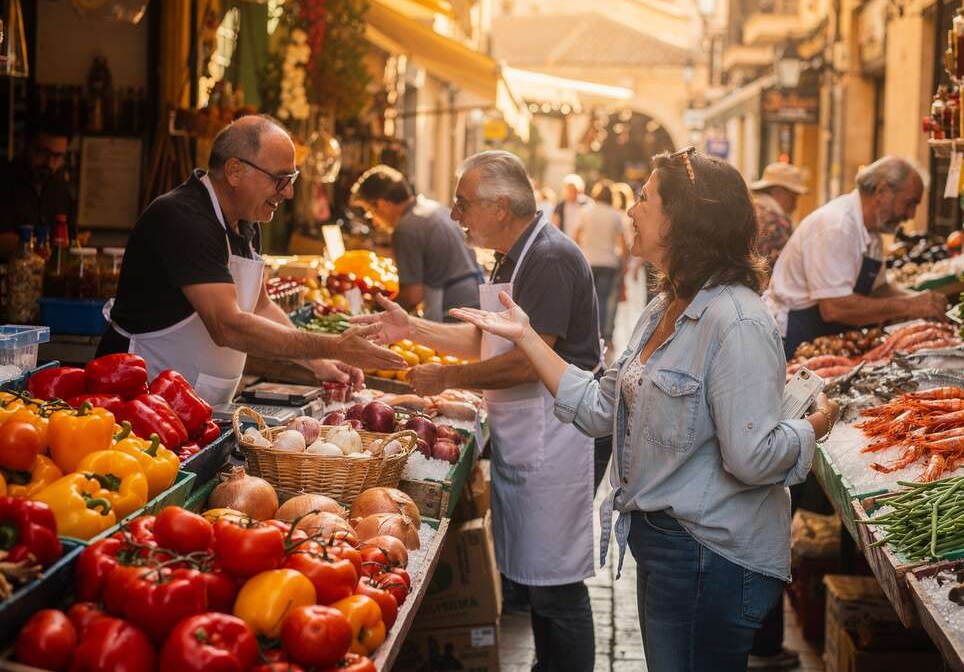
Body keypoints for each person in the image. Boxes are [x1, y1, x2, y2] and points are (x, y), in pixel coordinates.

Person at [446, 148, 838, 671]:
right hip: (664, 549)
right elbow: (599, 407)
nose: (631, 210)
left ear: (686, 220)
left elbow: (753, 458)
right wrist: (526, 337)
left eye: (645, 199)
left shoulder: (737, 321)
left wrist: (813, 427)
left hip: (710, 556)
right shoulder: (661, 309)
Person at [353, 150, 600, 672]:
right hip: (529, 431)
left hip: (557, 436)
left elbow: (528, 364)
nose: (455, 216)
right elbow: (482, 340)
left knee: (556, 589)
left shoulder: (550, 258)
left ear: (503, 206)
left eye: (464, 204)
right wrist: (414, 329)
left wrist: (448, 377)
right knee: (539, 584)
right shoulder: (515, 253)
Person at [97, 115, 404, 403]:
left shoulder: (247, 222)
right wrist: (332, 345)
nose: (289, 193)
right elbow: (227, 326)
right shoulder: (183, 219)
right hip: (138, 396)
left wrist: (320, 362)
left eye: (291, 178)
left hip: (191, 404)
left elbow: (260, 306)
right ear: (234, 171)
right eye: (280, 179)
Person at [766, 155, 949, 360]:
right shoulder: (836, 226)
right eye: (909, 203)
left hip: (825, 338)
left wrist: (919, 299)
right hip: (795, 337)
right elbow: (834, 307)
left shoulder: (872, 234)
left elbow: (879, 290)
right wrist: (910, 305)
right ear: (882, 191)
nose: (911, 215)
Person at [349, 165, 482, 321]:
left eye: (370, 211)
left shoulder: (407, 228)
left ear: (383, 204)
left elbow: (412, 295)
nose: (374, 220)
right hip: (475, 299)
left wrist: (378, 317)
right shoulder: (436, 209)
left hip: (452, 309)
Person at [0, 121, 77, 259]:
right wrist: (39, 247)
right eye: (42, 152)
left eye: (57, 156)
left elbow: (69, 240)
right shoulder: (5, 182)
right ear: (24, 145)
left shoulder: (61, 191)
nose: (49, 163)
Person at [576, 182, 628, 343]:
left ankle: (587, 332)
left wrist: (585, 246)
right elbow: (623, 243)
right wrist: (624, 263)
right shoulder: (615, 215)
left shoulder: (585, 211)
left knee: (587, 298)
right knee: (604, 299)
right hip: (609, 261)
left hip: (588, 260)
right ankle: (603, 335)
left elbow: (576, 235)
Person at [750, 162, 808, 273]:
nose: (795, 205)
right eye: (793, 198)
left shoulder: (749, 210)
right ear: (778, 192)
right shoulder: (778, 222)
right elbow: (787, 266)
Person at [552, 173, 589, 241]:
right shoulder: (560, 206)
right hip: (564, 241)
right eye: (569, 189)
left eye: (574, 189)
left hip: (580, 243)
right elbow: (554, 225)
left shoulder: (585, 204)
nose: (572, 192)